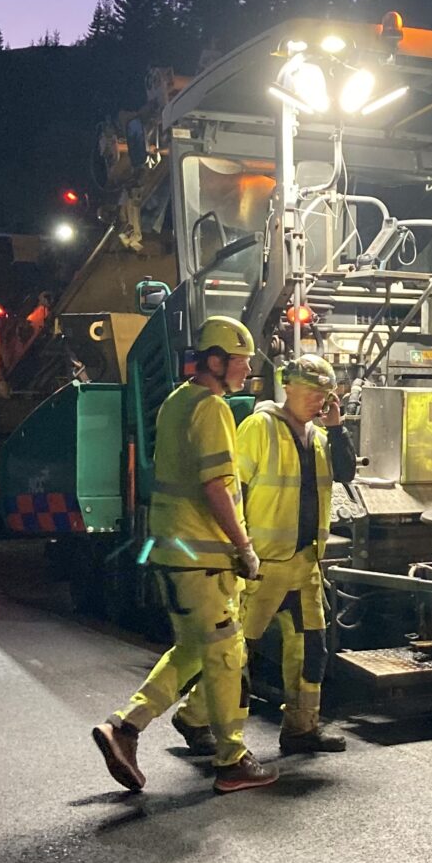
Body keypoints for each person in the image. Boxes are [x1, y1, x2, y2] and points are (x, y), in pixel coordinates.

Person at [91, 316, 278, 794]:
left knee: (193, 650)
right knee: (226, 656)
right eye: (240, 361)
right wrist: (244, 546)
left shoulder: (177, 402)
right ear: (215, 361)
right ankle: (232, 759)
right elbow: (216, 486)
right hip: (204, 558)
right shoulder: (212, 408)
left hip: (174, 552)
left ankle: (124, 728)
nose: (247, 369)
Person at [171, 354, 357, 756]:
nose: (319, 400)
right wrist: (237, 548)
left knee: (310, 649)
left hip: (305, 564)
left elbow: (346, 473)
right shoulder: (260, 428)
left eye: (324, 394)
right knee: (236, 651)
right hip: (262, 566)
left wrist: (337, 426)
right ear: (287, 387)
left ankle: (301, 728)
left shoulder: (319, 438)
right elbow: (229, 488)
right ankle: (194, 717)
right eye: (311, 392)